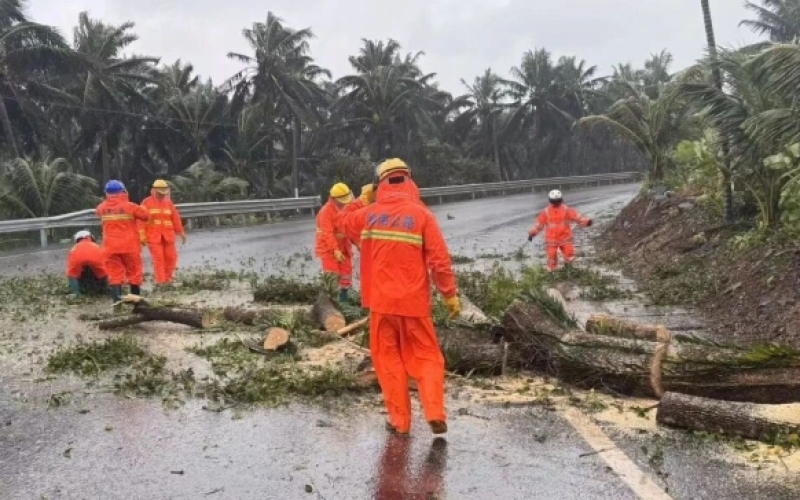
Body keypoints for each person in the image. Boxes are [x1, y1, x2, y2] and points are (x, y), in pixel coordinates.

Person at [338, 158, 461, 436]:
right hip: (414, 304)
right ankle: (434, 413)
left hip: (382, 306)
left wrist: (360, 199)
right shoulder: (421, 215)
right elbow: (440, 261)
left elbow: (343, 222)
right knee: (428, 358)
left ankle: (400, 422)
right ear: (409, 180)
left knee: (388, 362)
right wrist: (449, 295)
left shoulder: (368, 213)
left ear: (378, 183)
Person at [96, 180, 149, 303]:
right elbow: (145, 216)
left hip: (110, 248)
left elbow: (99, 212)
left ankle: (117, 305)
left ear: (106, 193)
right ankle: (136, 306)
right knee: (134, 275)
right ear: (123, 191)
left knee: (114, 276)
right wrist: (142, 207)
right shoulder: (131, 207)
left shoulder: (101, 208)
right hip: (129, 247)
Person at [527, 189, 592, 272]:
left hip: (565, 238)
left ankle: (569, 269)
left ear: (561, 200)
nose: (556, 203)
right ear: (551, 201)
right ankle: (552, 273)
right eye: (555, 201)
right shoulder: (545, 212)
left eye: (557, 201)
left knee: (569, 254)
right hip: (551, 240)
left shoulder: (566, 209)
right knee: (551, 257)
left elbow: (577, 216)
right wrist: (532, 233)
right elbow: (538, 225)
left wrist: (586, 221)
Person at [138, 179, 186, 286]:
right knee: (159, 259)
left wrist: (181, 232)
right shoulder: (146, 203)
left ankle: (168, 279)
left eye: (164, 193)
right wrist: (142, 235)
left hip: (168, 236)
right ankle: (161, 282)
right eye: (160, 193)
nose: (162, 195)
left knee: (171, 258)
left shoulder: (169, 203)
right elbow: (140, 220)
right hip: (153, 236)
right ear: (154, 191)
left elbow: (175, 219)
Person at [315, 182, 354, 303]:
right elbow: (327, 234)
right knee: (333, 275)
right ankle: (332, 301)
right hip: (328, 249)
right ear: (334, 198)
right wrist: (335, 250)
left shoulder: (347, 206)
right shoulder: (325, 212)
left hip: (343, 247)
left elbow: (351, 227)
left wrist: (358, 243)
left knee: (346, 273)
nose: (344, 203)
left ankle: (344, 299)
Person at [66, 230, 108, 297]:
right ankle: (107, 289)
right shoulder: (96, 246)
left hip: (77, 259)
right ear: (90, 237)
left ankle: (76, 293)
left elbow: (71, 263)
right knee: (104, 272)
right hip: (96, 258)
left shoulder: (74, 248)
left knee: (72, 274)